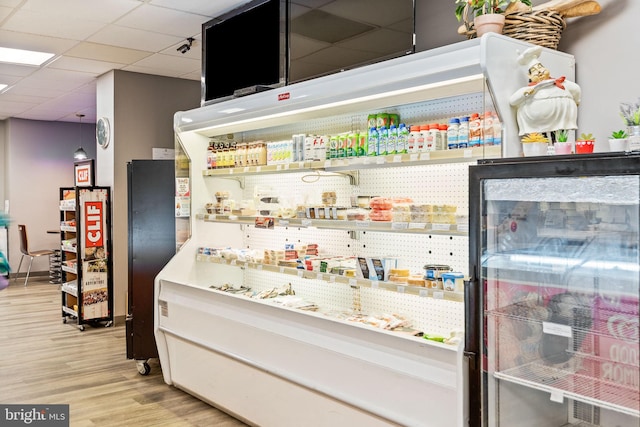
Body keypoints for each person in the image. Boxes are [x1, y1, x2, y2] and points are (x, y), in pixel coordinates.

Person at [509, 45, 581, 137]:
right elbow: (512, 101)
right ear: (530, 76)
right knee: (543, 138)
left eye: (540, 67)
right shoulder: (530, 89)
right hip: (537, 123)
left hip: (561, 119)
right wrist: (526, 93)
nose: (539, 72)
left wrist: (577, 101)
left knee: (559, 137)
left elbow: (576, 89)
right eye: (535, 70)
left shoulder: (560, 83)